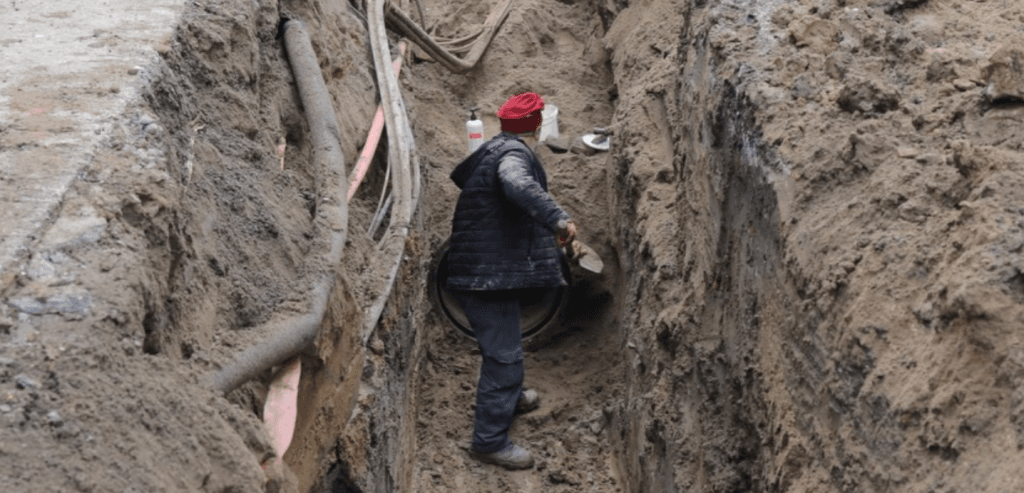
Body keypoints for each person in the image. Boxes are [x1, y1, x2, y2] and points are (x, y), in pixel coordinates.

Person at [447, 92, 577, 470]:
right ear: (534, 125)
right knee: (504, 358)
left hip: (486, 271)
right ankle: (489, 441)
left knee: (505, 341)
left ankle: (511, 396)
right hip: (484, 277)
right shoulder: (512, 156)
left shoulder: (493, 148)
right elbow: (516, 183)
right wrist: (557, 219)